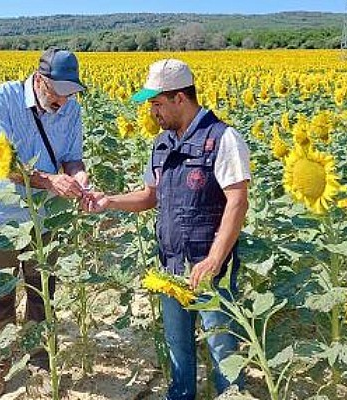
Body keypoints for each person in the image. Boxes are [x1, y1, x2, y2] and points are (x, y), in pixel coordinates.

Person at [85, 59, 250, 399]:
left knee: (222, 347)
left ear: (180, 98)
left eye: (157, 104)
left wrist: (214, 260)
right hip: (171, 265)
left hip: (209, 269)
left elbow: (237, 202)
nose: (153, 113)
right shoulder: (161, 144)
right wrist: (110, 201)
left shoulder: (223, 139)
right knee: (178, 347)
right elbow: (149, 196)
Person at [0, 48, 90, 398]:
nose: (63, 100)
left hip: (44, 217)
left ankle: (40, 359)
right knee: (0, 293)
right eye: (58, 92)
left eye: (70, 92)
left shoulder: (70, 108)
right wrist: (50, 181)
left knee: (43, 291)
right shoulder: (3, 98)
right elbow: (3, 164)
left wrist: (80, 177)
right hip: (5, 216)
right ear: (39, 80)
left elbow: (72, 158)